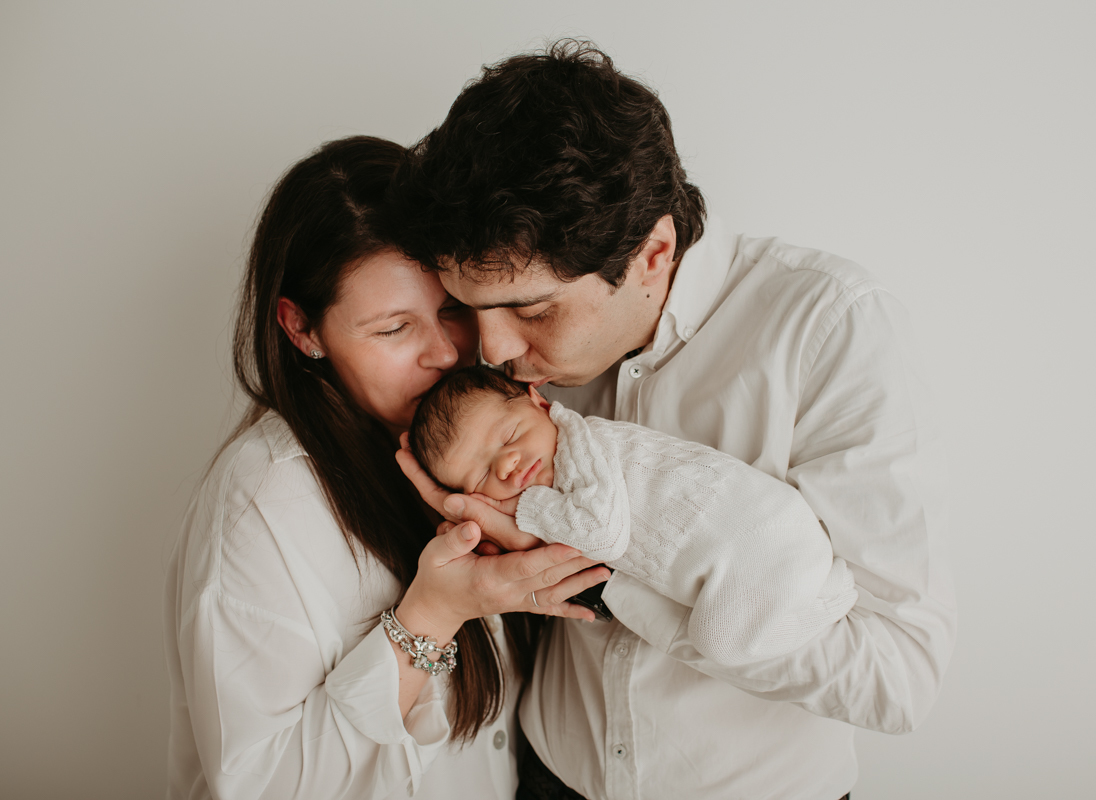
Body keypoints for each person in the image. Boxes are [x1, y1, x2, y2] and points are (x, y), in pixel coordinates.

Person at [394, 42, 957, 800]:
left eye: (532, 310)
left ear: (652, 252)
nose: (492, 351)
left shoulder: (830, 328)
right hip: (545, 775)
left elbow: (899, 675)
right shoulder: (510, 383)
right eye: (474, 310)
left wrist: (626, 593)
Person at [163, 136, 609, 800]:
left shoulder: (490, 444)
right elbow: (264, 786)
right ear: (301, 329)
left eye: (452, 310)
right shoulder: (267, 502)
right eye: (392, 329)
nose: (443, 352)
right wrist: (432, 614)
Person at [407, 365, 858, 668]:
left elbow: (603, 536)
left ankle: (825, 598)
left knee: (718, 642)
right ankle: (811, 593)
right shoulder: (560, 476)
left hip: (764, 541)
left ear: (539, 402)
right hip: (749, 554)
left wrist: (522, 512)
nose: (507, 465)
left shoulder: (582, 447)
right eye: (483, 474)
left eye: (510, 435)